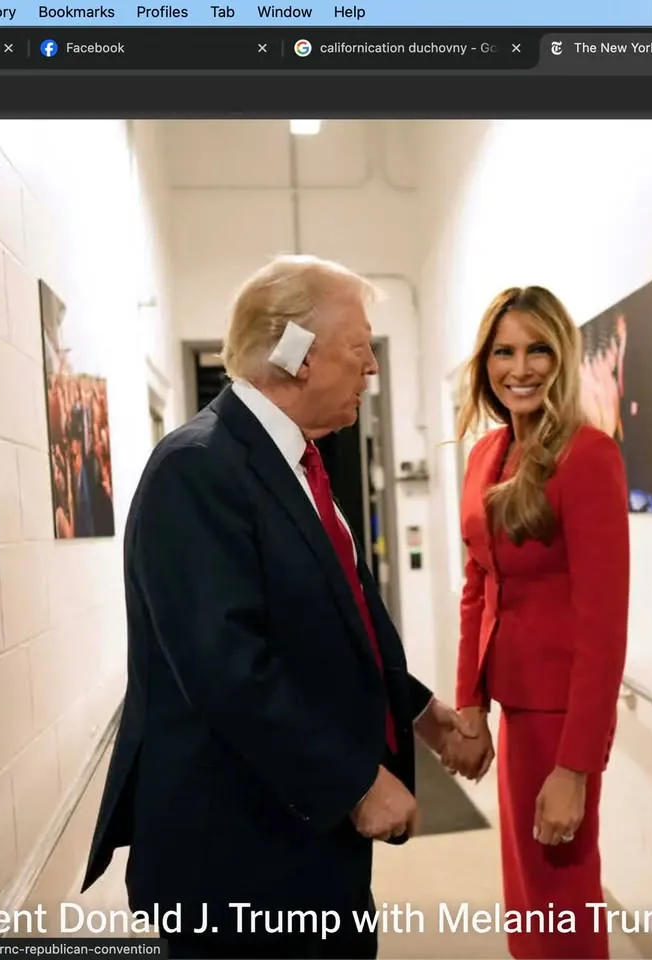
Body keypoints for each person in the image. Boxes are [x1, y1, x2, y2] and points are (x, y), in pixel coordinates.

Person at [82, 255, 479, 959]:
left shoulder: (300, 469)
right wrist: (354, 783)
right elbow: (227, 666)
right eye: (358, 347)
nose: (372, 368)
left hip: (300, 842)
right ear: (296, 353)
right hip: (238, 857)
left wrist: (416, 711)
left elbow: (337, 621)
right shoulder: (197, 467)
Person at [442, 286, 631, 959]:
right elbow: (476, 586)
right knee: (528, 907)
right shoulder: (487, 454)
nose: (519, 368)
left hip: (560, 718)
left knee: (561, 904)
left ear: (562, 357)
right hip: (514, 710)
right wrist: (470, 703)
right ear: (485, 362)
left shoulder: (588, 456)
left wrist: (575, 767)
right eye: (504, 352)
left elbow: (605, 626)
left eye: (537, 350)